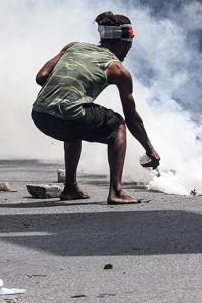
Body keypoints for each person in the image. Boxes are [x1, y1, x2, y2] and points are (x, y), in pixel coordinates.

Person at [32, 11, 161, 205]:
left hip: (40, 114)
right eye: (128, 45)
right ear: (120, 42)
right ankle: (116, 191)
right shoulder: (117, 69)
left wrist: (66, 86)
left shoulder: (73, 47)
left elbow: (41, 77)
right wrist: (150, 150)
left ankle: (70, 187)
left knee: (74, 124)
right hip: (69, 116)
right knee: (117, 123)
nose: (128, 50)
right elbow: (132, 118)